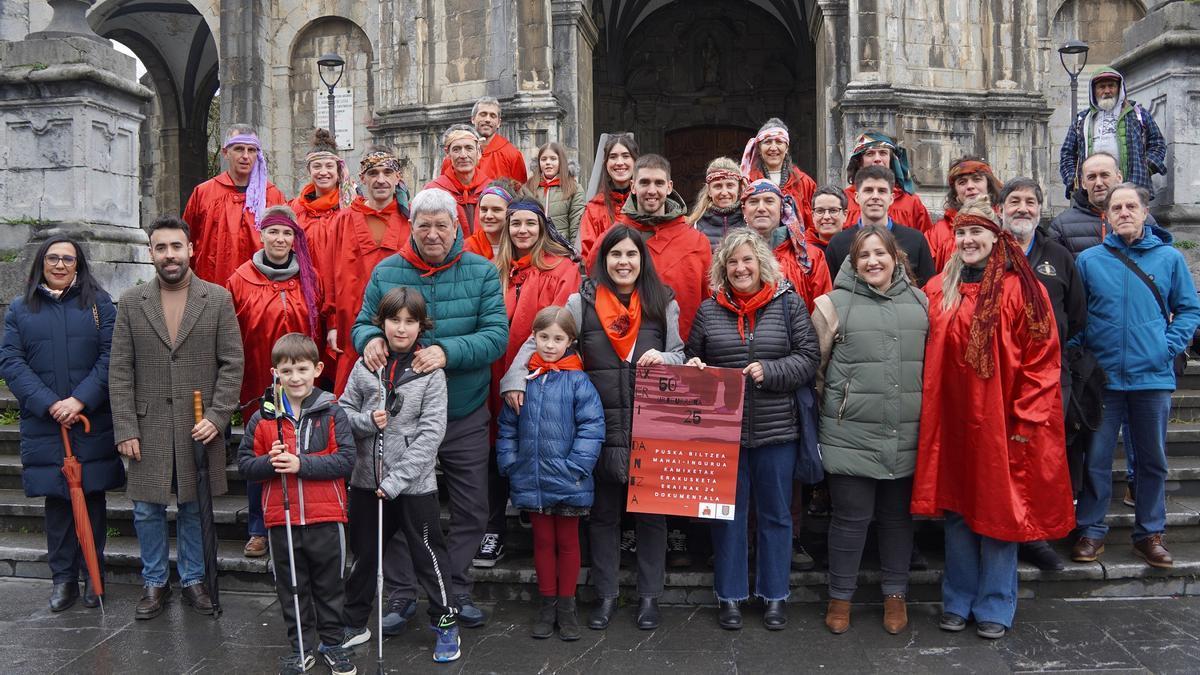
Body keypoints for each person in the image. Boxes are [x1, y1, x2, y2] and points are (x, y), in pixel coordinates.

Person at [500, 225, 687, 631]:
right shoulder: (582, 300)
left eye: (631, 255)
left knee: (652, 518)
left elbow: (679, 354)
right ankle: (605, 596)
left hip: (649, 425)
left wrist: (667, 360)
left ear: (642, 260)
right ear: (603, 261)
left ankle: (649, 597)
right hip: (595, 426)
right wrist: (514, 378)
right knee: (603, 516)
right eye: (615, 254)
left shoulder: (661, 301)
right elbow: (541, 340)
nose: (623, 262)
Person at [912, 197, 1074, 640]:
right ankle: (957, 599)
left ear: (995, 235)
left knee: (1000, 513)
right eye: (961, 233)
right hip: (952, 419)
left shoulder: (1024, 289)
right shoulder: (937, 289)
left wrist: (1027, 419)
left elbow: (1043, 360)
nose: (967, 240)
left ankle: (996, 604)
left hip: (1001, 421)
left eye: (976, 232)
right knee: (959, 510)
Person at [353, 188, 507, 630]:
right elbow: (363, 322)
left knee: (472, 506)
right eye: (425, 225)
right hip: (400, 418)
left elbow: (497, 335)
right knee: (397, 502)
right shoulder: (387, 271)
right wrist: (371, 339)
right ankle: (401, 594)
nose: (433, 233)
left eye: (443, 225)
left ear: (458, 226)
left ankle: (455, 589)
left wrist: (447, 351)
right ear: (412, 227)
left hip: (463, 411)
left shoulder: (480, 272)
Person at [109, 216, 244, 620]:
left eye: (176, 246)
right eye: (161, 247)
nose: (170, 255)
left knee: (192, 505)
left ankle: (193, 580)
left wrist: (219, 417)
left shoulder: (216, 298)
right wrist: (125, 427)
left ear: (191, 249)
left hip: (198, 424)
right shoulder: (133, 302)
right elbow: (119, 369)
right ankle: (153, 581)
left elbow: (232, 364)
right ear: (151, 253)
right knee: (147, 509)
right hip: (146, 424)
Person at [685, 229, 820, 631]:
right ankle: (729, 596)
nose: (741, 268)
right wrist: (693, 369)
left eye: (747, 260)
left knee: (776, 515)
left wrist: (770, 371)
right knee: (727, 516)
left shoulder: (789, 304)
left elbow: (808, 357)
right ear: (722, 270)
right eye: (732, 262)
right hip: (722, 434)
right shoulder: (709, 311)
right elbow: (695, 358)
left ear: (762, 263)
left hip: (777, 431)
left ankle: (774, 595)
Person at [1071, 183, 1200, 569]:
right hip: (1104, 380)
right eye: (1116, 207)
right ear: (1106, 216)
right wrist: (1080, 359)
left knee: (1152, 460)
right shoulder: (1090, 260)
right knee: (1096, 459)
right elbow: (1079, 315)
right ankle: (1091, 530)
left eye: (1131, 206)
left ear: (1145, 212)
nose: (1124, 212)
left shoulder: (1169, 259)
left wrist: (1166, 346)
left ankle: (1150, 533)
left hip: (1152, 378)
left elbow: (1190, 310)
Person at [810, 226, 928, 635]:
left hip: (906, 431)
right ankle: (840, 597)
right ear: (852, 262)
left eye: (881, 253)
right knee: (850, 519)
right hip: (849, 434)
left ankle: (895, 594)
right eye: (864, 256)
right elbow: (816, 372)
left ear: (896, 257)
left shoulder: (921, 302)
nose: (873, 261)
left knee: (897, 519)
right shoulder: (831, 305)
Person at [338, 288, 463, 662]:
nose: (402, 329)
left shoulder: (430, 373)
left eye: (410, 322)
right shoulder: (366, 365)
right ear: (382, 324)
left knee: (429, 556)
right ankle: (355, 621)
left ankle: (446, 625)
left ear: (421, 326)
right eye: (395, 320)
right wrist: (366, 422)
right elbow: (343, 413)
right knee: (364, 556)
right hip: (366, 481)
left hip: (412, 486)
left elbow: (431, 434)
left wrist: (394, 482)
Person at [0, 236, 124, 612]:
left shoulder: (99, 305)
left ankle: (93, 577)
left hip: (89, 419)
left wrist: (79, 399)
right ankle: (63, 579)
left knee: (92, 499)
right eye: (52, 257)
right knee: (57, 503)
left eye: (67, 259)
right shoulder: (21, 309)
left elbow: (111, 356)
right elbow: (11, 362)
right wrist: (49, 403)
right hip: (46, 423)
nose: (59, 264)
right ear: (42, 262)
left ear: (78, 264)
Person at [235, 333, 356, 675]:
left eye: (302, 369)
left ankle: (333, 645)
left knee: (330, 586)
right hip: (282, 521)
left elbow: (346, 461)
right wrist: (269, 463)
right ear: (275, 373)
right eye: (287, 371)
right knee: (292, 587)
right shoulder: (262, 419)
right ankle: (301, 647)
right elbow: (246, 465)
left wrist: (302, 464)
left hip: (326, 517)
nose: (295, 378)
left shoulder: (333, 412)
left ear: (317, 369)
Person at [474, 199, 580, 569]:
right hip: (492, 371)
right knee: (496, 447)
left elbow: (555, 327)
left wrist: (519, 374)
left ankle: (542, 529)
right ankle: (493, 528)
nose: (522, 231)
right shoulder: (494, 270)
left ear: (542, 227)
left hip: (539, 372)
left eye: (530, 224)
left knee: (538, 444)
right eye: (515, 223)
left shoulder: (560, 269)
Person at [496, 305, 604, 641]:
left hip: (569, 478)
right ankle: (547, 603)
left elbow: (592, 427)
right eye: (544, 337)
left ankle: (567, 606)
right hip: (532, 477)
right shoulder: (525, 380)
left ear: (570, 341)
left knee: (568, 543)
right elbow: (507, 427)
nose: (550, 345)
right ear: (534, 338)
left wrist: (576, 467)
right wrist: (511, 463)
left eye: (558, 339)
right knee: (542, 542)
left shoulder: (578, 381)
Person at [999, 177, 1088, 572]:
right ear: (1001, 207)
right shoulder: (989, 252)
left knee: (1040, 460)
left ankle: (1034, 537)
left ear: (1040, 207)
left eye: (1030, 201)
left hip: (1051, 378)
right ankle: (1000, 530)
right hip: (998, 377)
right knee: (1001, 459)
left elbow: (1077, 313)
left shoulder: (1059, 254)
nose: (1022, 208)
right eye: (1014, 200)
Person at [226, 205, 324, 558]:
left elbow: (322, 321)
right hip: (261, 382)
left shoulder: (309, 278)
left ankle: (305, 519)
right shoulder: (240, 278)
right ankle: (259, 527)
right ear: (261, 234)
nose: (280, 239)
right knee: (264, 452)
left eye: (287, 233)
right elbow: (230, 332)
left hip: (303, 382)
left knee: (305, 450)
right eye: (273, 232)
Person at [314, 149, 412, 395]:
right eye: (373, 173)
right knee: (351, 393)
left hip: (401, 320)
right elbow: (329, 273)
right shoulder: (343, 220)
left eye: (387, 172)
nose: (381, 179)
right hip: (351, 321)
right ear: (362, 178)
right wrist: (333, 323)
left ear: (397, 177)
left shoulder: (410, 219)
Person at [607, 154, 712, 341]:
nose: (652, 190)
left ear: (669, 187)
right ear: (633, 187)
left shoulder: (696, 242)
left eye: (659, 183)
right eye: (645, 182)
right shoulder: (611, 239)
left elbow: (708, 302)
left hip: (683, 348)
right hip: (626, 347)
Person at [182, 124, 287, 285]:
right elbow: (187, 240)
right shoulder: (204, 194)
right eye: (239, 149)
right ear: (225, 152)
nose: (246, 156)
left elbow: (287, 244)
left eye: (252, 150)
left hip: (261, 289)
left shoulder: (273, 196)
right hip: (213, 286)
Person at [1059, 68, 1167, 200]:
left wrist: (1145, 168)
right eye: (1102, 87)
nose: (1107, 91)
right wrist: (1073, 179)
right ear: (1093, 91)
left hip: (1132, 190)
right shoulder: (1081, 120)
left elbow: (1157, 144)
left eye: (1111, 86)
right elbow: (1067, 154)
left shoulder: (1138, 114)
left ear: (1119, 88)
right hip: (1092, 194)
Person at [826, 166, 935, 287]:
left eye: (882, 191)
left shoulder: (915, 240)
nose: (875, 196)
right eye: (868, 190)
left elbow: (927, 289)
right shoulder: (838, 243)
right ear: (857, 197)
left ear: (891, 198)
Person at [741, 179, 832, 312]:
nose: (761, 208)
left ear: (781, 208)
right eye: (753, 202)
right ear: (744, 210)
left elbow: (823, 312)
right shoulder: (732, 256)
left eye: (769, 201)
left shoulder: (810, 257)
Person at [1049, 152, 1160, 257]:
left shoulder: (1143, 219)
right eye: (1091, 177)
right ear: (1083, 183)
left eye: (1104, 175)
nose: (1098, 183)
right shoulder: (1061, 225)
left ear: (1119, 178)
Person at [843, 132, 932, 234]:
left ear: (891, 160)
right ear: (859, 161)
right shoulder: (844, 200)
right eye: (870, 153)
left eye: (883, 153)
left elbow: (925, 242)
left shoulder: (911, 202)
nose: (877, 159)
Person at [739, 118, 817, 230]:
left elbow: (813, 223)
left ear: (786, 148)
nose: (773, 148)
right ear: (759, 149)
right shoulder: (747, 182)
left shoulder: (805, 182)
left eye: (779, 142)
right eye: (767, 142)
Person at [927, 157, 1003, 272]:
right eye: (962, 182)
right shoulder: (937, 233)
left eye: (977, 179)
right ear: (955, 192)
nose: (970, 186)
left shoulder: (1005, 225)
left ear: (988, 186)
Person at [578, 133, 639, 260]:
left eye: (626, 156)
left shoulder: (647, 203)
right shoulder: (593, 209)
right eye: (613, 157)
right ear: (606, 163)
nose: (619, 162)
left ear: (635, 161)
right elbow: (589, 258)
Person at [441, 96, 528, 184]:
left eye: (493, 116)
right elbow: (444, 188)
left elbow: (520, 192)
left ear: (499, 123)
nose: (487, 119)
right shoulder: (454, 154)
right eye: (483, 114)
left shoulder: (512, 155)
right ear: (473, 119)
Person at [289, 128, 354, 239]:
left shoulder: (352, 206)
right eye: (317, 166)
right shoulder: (295, 208)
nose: (323, 172)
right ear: (309, 171)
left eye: (329, 166)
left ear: (338, 170)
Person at [426, 124, 490, 233]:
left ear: (478, 152)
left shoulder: (491, 189)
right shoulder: (433, 191)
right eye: (456, 149)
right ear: (448, 155)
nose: (463, 155)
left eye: (469, 148)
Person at [522, 142, 585, 246]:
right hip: (534, 248)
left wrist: (575, 252)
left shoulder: (574, 188)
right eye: (543, 159)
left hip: (561, 248)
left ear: (561, 161)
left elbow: (576, 225)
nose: (548, 162)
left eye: (553, 159)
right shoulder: (527, 188)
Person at [689, 157, 748, 250]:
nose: (724, 192)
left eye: (730, 185)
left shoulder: (750, 222)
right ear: (709, 191)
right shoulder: (694, 226)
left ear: (739, 189)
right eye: (718, 186)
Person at [464, 180, 519, 260]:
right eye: (484, 209)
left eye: (496, 210)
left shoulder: (522, 247)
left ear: (511, 212)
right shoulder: (466, 249)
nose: (488, 216)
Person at [810, 185, 848, 253]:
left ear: (845, 215)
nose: (826, 216)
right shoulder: (802, 249)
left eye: (833, 210)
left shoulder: (856, 247)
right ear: (813, 215)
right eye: (820, 211)